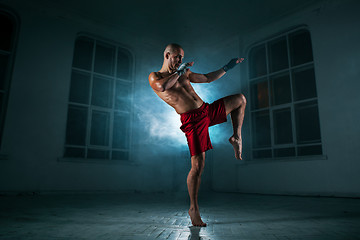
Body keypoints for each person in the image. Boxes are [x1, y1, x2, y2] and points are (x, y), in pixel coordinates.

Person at [148, 43, 246, 227]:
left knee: (240, 99)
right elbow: (162, 87)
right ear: (168, 55)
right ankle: (193, 209)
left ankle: (236, 137)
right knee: (198, 165)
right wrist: (179, 72)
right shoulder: (156, 76)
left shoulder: (183, 72)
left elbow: (208, 78)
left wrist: (227, 67)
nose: (180, 61)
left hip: (206, 110)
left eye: (182, 58)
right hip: (192, 121)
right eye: (177, 57)